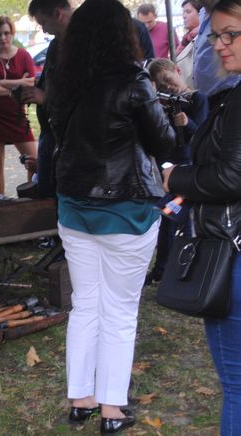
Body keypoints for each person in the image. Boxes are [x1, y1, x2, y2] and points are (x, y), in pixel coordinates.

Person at [47, 0, 175, 432]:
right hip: (127, 211)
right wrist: (177, 117)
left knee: (86, 306)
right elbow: (164, 143)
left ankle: (81, 399)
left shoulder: (62, 80)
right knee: (119, 310)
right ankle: (111, 409)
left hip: (75, 208)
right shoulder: (134, 80)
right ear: (123, 34)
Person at [163, 1, 241, 433]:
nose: (220, 45)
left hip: (232, 254)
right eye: (216, 36)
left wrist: (176, 179)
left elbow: (231, 177)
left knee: (237, 385)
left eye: (231, 34)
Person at [145, 58, 208, 284]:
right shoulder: (162, 102)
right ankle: (165, 270)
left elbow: (203, 134)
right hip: (168, 169)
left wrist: (187, 122)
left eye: (169, 80)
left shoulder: (197, 99)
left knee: (178, 220)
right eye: (161, 86)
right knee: (170, 219)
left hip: (188, 168)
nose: (168, 87)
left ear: (178, 71)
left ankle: (178, 270)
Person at [0, 16, 37, 196]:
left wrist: (2, 82)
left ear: (12, 33)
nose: (3, 38)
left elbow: (31, 82)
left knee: (34, 159)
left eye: (6, 33)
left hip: (16, 115)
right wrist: (15, 88)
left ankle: (31, 196)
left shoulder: (23, 55)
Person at [22, 0, 74, 199]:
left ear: (58, 14)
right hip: (50, 132)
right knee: (46, 194)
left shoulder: (84, 46)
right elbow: (49, 82)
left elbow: (86, 97)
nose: (43, 30)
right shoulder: (55, 45)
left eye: (44, 23)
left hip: (70, 139)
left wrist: (46, 97)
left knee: (57, 198)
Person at [193, 0, 241, 106]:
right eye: (215, 36)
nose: (217, 46)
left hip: (226, 91)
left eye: (229, 34)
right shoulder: (203, 13)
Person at [176, 0, 203, 88]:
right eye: (183, 12)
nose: (184, 16)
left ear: (201, 12)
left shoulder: (203, 38)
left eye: (188, 12)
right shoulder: (186, 38)